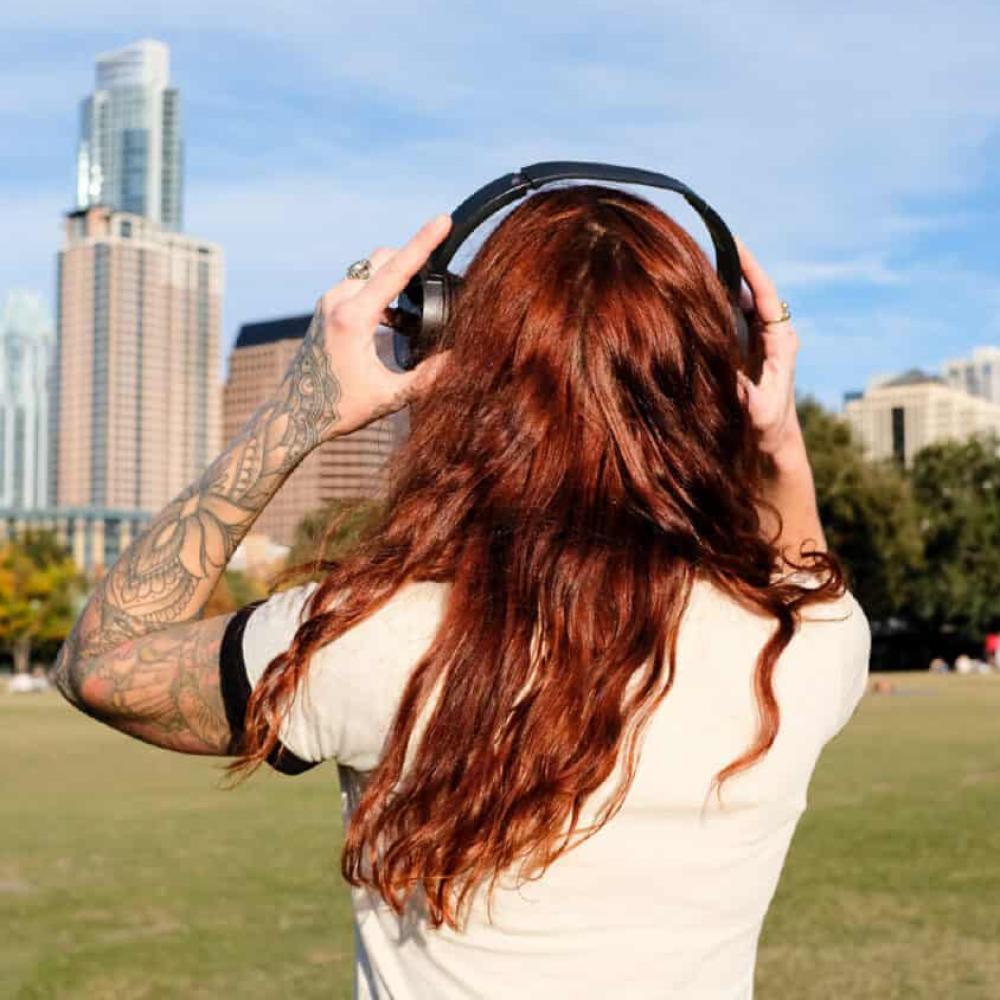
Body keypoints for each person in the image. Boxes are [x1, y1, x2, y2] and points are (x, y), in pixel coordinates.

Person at [53, 185, 870, 999]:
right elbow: (801, 573)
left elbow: (101, 661)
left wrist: (302, 408)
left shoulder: (372, 636)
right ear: (724, 366)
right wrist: (779, 437)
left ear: (458, 357)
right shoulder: (807, 643)